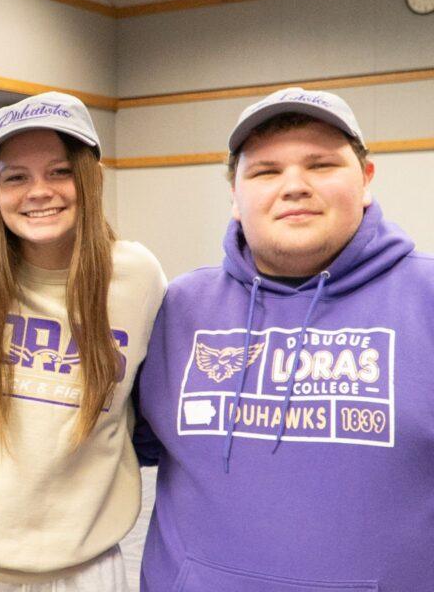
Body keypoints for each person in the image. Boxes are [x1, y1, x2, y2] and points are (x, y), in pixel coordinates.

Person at [133, 87, 434, 590]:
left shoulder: (426, 299)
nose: (293, 186)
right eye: (266, 171)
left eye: (320, 165)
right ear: (234, 195)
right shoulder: (181, 307)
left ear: (365, 180)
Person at [0, 92, 165, 591]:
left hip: (86, 568)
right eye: (16, 177)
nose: (38, 191)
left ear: (89, 178)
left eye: (59, 172)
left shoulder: (137, 277)